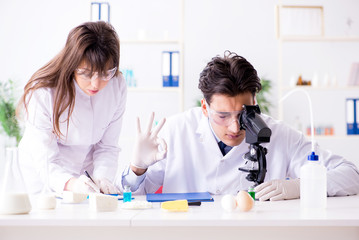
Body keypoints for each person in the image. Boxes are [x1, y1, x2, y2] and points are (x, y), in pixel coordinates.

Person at [119, 51, 359, 201]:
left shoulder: (280, 135)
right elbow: (134, 197)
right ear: (205, 108)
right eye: (222, 115)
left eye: (245, 114)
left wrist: (302, 186)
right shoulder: (176, 130)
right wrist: (137, 168)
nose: (235, 127)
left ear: (255, 102)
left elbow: (351, 175)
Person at [18, 21, 126, 195]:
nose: (96, 83)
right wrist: (72, 184)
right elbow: (45, 160)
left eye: (106, 72)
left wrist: (102, 178)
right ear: (72, 64)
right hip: (42, 177)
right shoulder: (44, 93)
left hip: (86, 175)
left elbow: (107, 147)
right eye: (86, 73)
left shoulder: (116, 86)